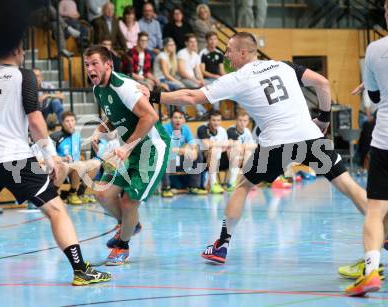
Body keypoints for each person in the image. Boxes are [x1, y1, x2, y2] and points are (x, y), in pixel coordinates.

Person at [149, 31, 369, 266]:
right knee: (347, 185)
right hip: (310, 137)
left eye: (229, 51)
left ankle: (221, 245)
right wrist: (324, 119)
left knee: (243, 186)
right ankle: (382, 232)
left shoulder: (238, 78)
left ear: (243, 52)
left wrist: (153, 94)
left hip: (276, 143)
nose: (226, 56)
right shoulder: (283, 66)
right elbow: (322, 83)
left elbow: (191, 96)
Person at [0, 40, 111, 285]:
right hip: (14, 159)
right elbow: (34, 118)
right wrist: (51, 156)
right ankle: (81, 271)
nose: (24, 53)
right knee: (57, 210)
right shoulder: (23, 75)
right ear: (16, 51)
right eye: (23, 49)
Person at [84, 45, 170, 265]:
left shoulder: (123, 86)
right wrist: (99, 129)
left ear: (108, 65)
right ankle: (130, 226)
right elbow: (115, 115)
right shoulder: (98, 90)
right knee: (103, 194)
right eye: (86, 65)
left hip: (151, 149)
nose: (90, 68)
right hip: (130, 149)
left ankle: (122, 247)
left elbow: (150, 117)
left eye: (94, 63)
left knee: (129, 201)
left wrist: (127, 147)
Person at [344, 1, 388, 296]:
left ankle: (371, 271)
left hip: (385, 140)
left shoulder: (375, 50)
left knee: (376, 208)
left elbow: (373, 95)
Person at [161, 109, 207, 197]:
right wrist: (183, 150)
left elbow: (193, 144)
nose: (178, 120)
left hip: (180, 159)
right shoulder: (165, 129)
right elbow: (165, 148)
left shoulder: (186, 129)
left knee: (199, 155)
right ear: (171, 119)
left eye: (180, 118)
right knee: (165, 155)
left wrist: (194, 151)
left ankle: (194, 187)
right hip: (169, 160)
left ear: (183, 120)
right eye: (175, 118)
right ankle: (165, 188)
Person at [51, 111, 93, 205]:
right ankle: (52, 194)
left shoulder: (77, 136)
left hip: (74, 167)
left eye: (72, 120)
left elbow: (77, 155)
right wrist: (63, 159)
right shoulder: (55, 137)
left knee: (96, 164)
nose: (70, 123)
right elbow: (50, 156)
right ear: (62, 123)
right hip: (60, 168)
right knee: (76, 165)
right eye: (67, 121)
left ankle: (79, 193)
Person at [197, 111, 229, 194]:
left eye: (218, 120)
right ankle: (213, 183)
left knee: (234, 150)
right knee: (213, 150)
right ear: (209, 120)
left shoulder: (222, 130)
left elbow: (226, 146)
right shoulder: (202, 128)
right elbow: (207, 145)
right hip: (202, 157)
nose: (216, 122)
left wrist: (219, 146)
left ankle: (230, 183)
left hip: (218, 156)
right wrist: (220, 145)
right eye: (214, 120)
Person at [177, 33, 207, 118]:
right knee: (195, 88)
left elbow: (198, 72)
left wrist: (202, 81)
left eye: (195, 42)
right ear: (186, 43)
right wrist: (196, 81)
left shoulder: (196, 55)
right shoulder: (181, 53)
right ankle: (202, 112)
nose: (194, 44)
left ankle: (211, 111)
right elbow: (182, 72)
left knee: (208, 86)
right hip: (182, 79)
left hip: (192, 80)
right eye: (191, 42)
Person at [226, 112, 255, 191]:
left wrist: (245, 147)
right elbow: (237, 146)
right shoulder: (231, 130)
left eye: (245, 121)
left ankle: (246, 181)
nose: (242, 123)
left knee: (249, 153)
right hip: (228, 157)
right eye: (240, 120)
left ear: (248, 122)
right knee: (237, 152)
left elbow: (254, 146)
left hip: (242, 156)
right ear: (236, 120)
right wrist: (245, 146)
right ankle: (232, 182)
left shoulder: (247, 131)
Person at [199, 31, 226, 111]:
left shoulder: (219, 53)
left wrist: (230, 77)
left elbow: (222, 71)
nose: (213, 41)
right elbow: (202, 71)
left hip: (216, 79)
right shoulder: (203, 53)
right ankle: (216, 111)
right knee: (215, 89)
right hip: (205, 79)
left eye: (215, 39)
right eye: (211, 39)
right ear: (207, 41)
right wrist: (215, 76)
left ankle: (229, 111)